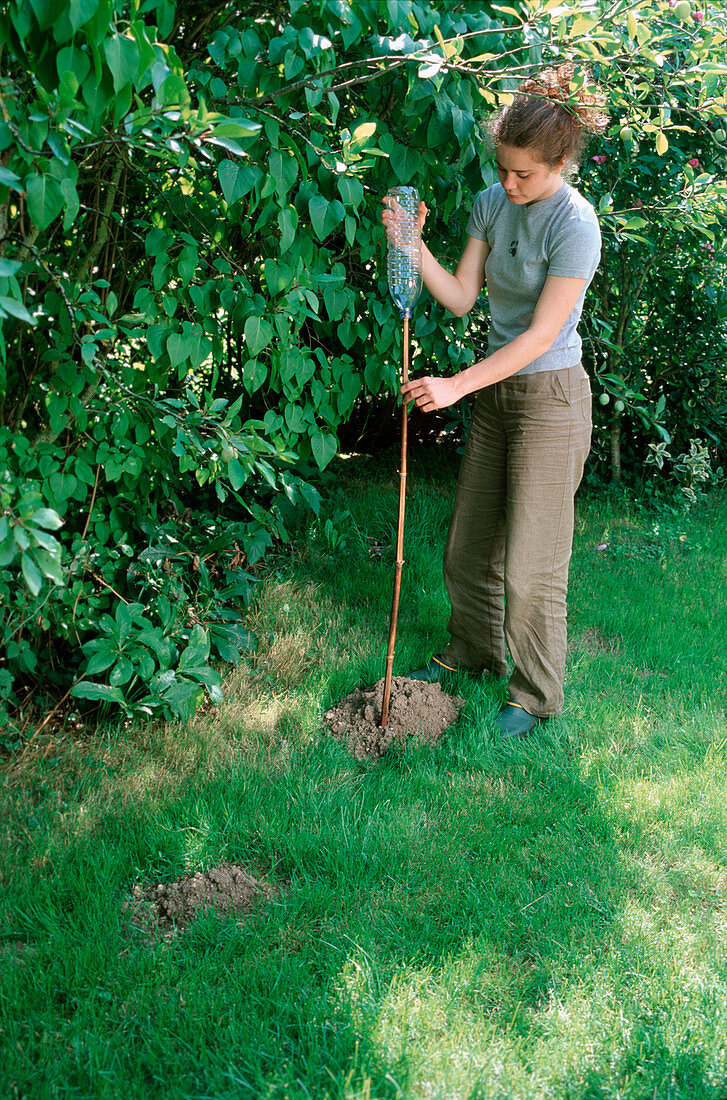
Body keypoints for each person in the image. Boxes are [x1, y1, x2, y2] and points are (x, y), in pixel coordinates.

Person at [382, 63, 608, 738]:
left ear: (559, 162)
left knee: (531, 567)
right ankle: (473, 653)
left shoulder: (576, 224)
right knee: (468, 547)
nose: (509, 185)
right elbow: (458, 298)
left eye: (524, 175)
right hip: (496, 394)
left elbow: (541, 334)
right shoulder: (492, 201)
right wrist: (411, 245)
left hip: (551, 399)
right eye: (503, 171)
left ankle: (535, 696)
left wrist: (454, 385)